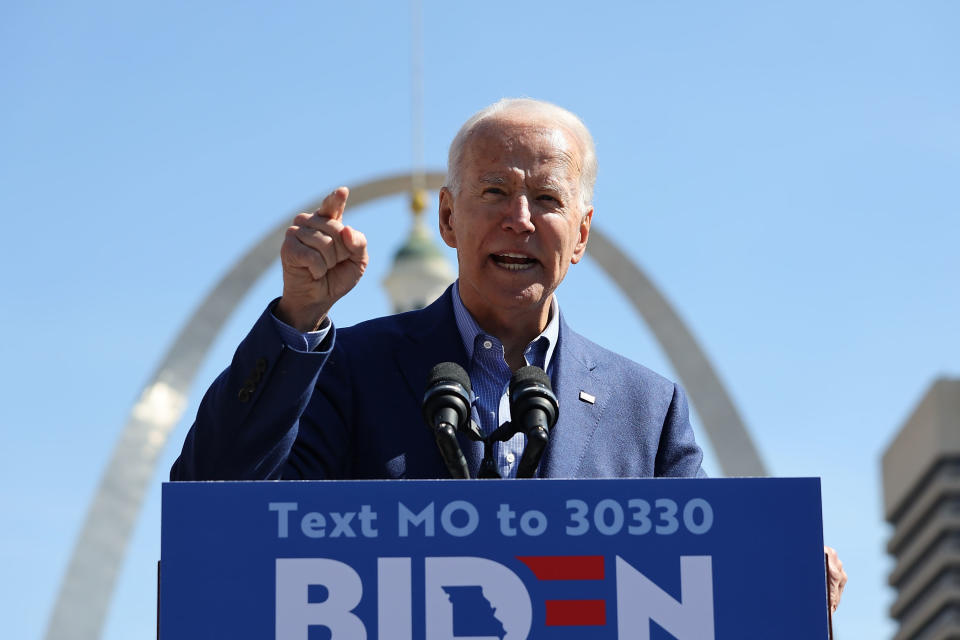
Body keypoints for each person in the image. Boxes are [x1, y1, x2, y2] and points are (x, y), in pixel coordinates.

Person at [170, 97, 846, 609]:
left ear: (580, 235)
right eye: (494, 191)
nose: (519, 218)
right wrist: (298, 316)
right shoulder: (347, 368)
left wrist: (781, 596)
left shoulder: (650, 409)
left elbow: (700, 595)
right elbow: (215, 510)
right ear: (447, 219)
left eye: (547, 198)